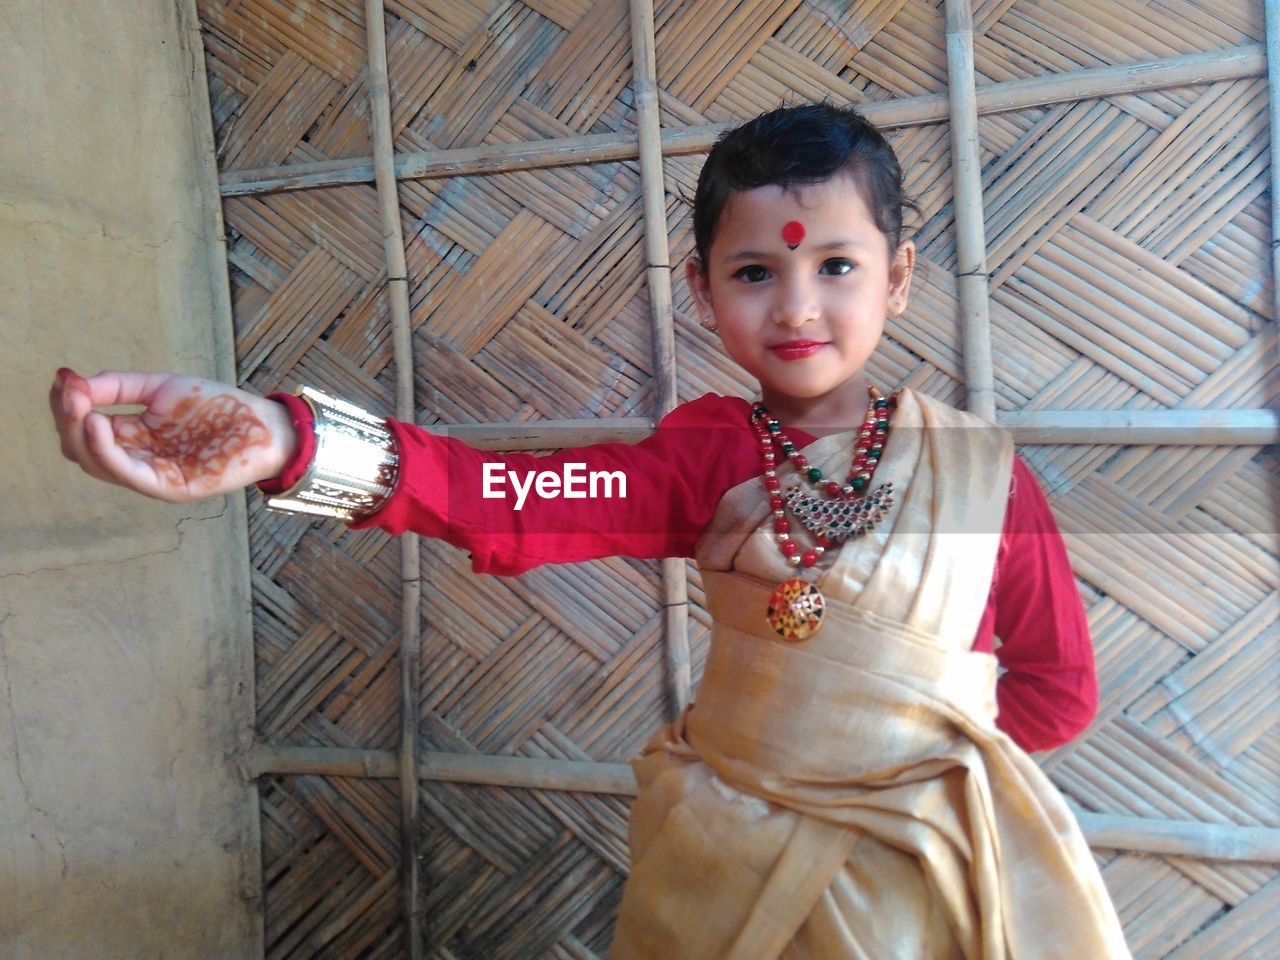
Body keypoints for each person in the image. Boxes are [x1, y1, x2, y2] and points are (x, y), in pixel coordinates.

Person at [50, 103, 1129, 958]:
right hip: (725, 862)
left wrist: (885, 776)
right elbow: (504, 501)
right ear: (704, 293)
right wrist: (287, 441)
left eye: (834, 266)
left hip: (915, 881)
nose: (797, 306)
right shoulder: (706, 459)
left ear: (895, 281)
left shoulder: (982, 481)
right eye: (756, 271)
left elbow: (1054, 692)